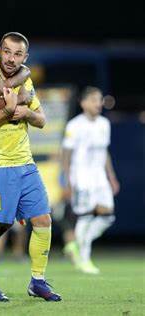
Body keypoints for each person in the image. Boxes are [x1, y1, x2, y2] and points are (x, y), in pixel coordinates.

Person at [0, 32, 61, 302]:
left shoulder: (26, 78)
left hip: (25, 163)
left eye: (17, 54)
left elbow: (42, 119)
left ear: (25, 57)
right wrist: (10, 110)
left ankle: (37, 281)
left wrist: (27, 113)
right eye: (7, 52)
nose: (11, 58)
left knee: (43, 220)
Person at [62, 86, 120, 274]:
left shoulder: (104, 124)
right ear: (83, 103)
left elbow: (105, 153)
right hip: (82, 177)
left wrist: (111, 176)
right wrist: (68, 181)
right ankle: (84, 260)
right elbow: (66, 156)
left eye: (100, 100)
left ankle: (76, 245)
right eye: (94, 100)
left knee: (108, 216)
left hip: (100, 177)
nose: (99, 104)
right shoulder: (74, 126)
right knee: (85, 216)